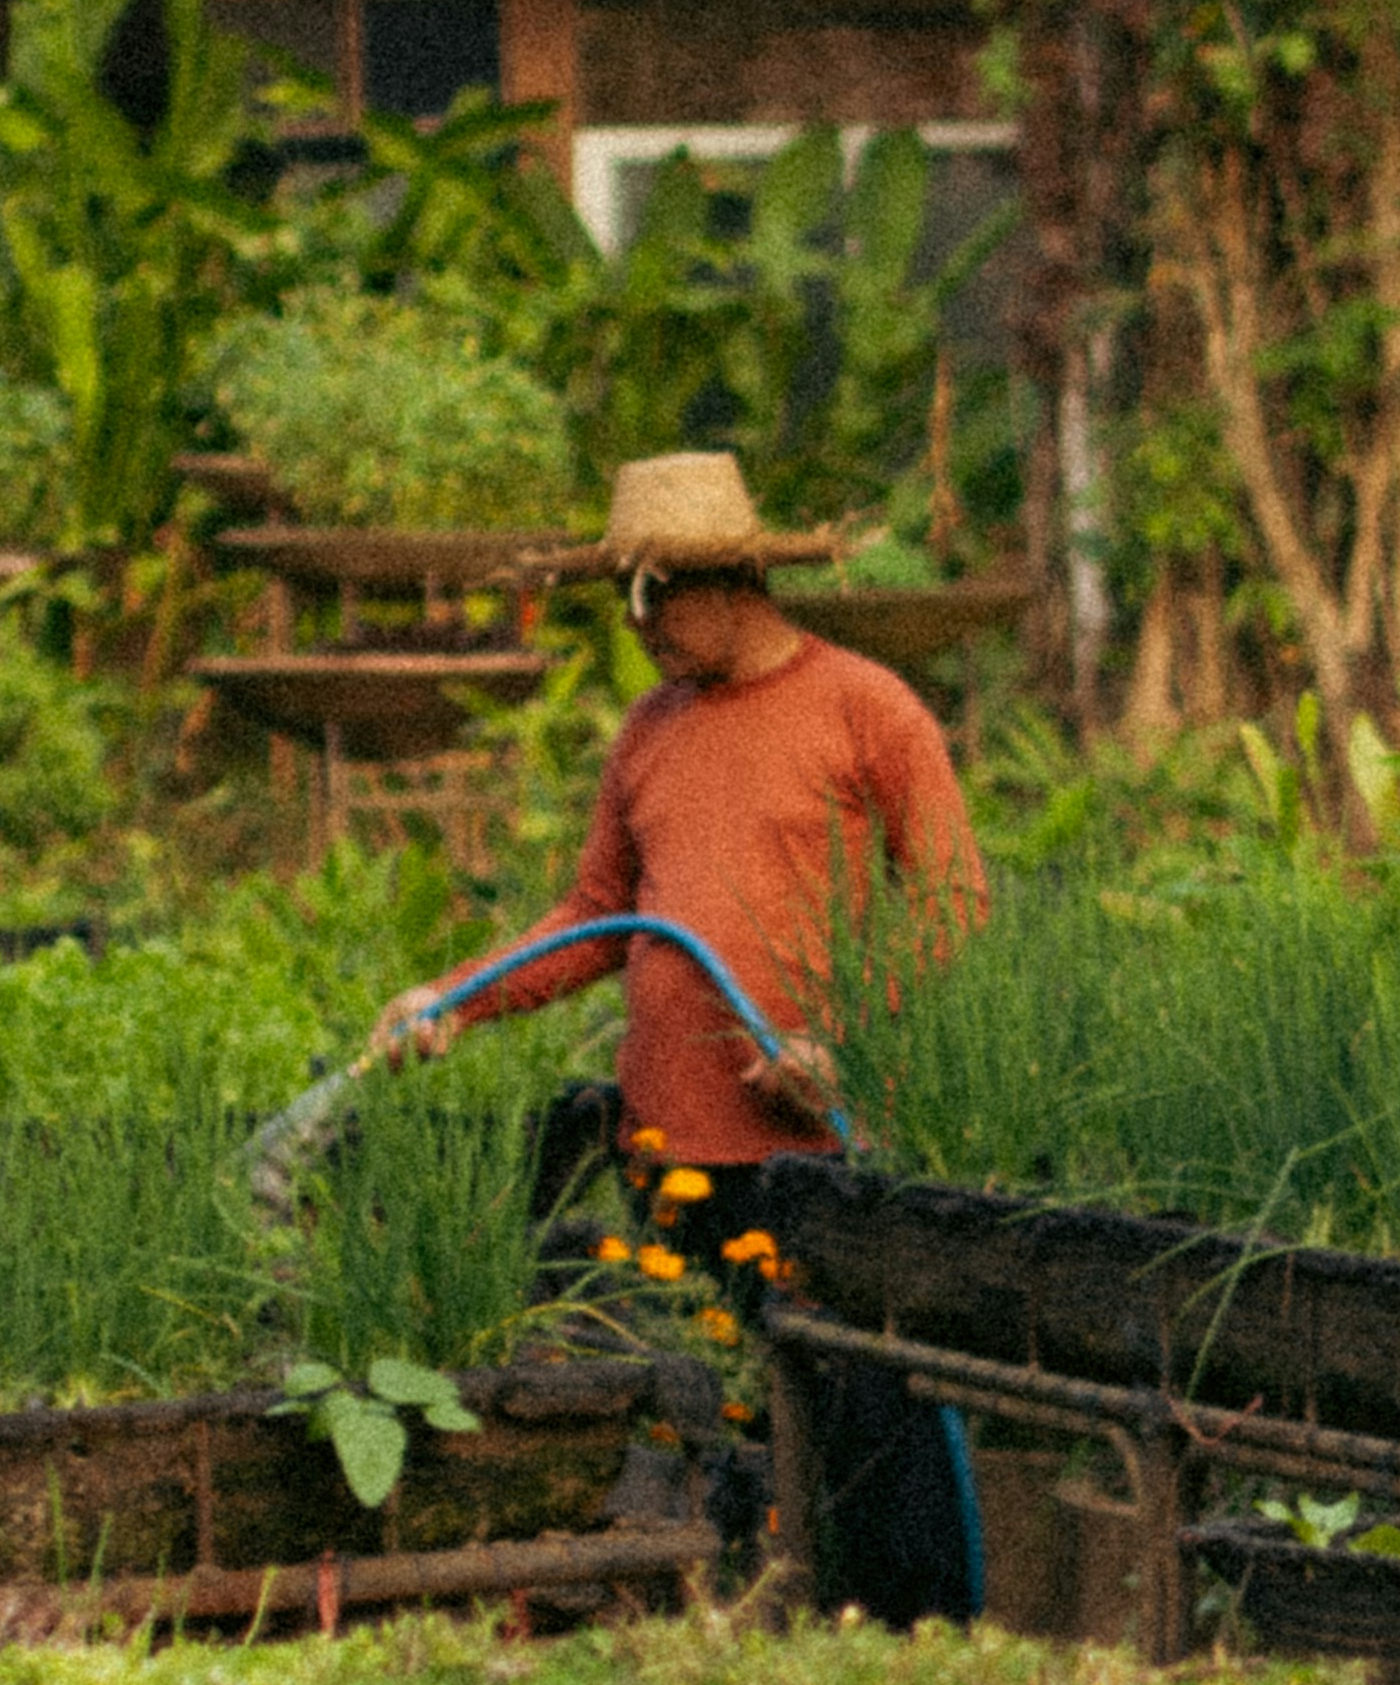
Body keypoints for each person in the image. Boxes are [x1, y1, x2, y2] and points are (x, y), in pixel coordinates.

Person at [380, 448, 984, 1611]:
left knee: (866, 1420)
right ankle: (739, 1628)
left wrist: (841, 1040)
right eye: (625, 596)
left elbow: (953, 901)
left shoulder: (863, 708)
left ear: (736, 579)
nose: (640, 622)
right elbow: (593, 917)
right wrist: (453, 997)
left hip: (816, 1146)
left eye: (659, 592)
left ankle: (915, 1645)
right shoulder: (649, 730)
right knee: (708, 1413)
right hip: (671, 1148)